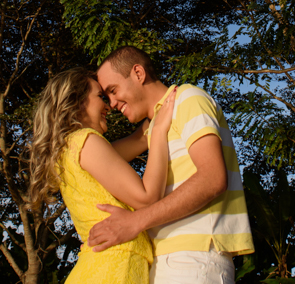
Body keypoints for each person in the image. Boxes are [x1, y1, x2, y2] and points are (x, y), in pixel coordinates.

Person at [89, 46, 254, 284]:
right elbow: (100, 156)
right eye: (106, 97)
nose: (112, 103)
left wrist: (135, 221)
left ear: (138, 73)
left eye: (113, 91)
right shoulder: (156, 124)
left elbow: (212, 178)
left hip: (194, 258)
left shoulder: (188, 98)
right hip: (169, 259)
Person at [28, 67, 177, 283]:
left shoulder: (69, 149)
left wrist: (155, 102)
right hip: (114, 266)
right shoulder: (86, 141)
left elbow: (141, 139)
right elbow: (147, 197)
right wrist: (161, 131)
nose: (108, 105)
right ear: (76, 101)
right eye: (101, 97)